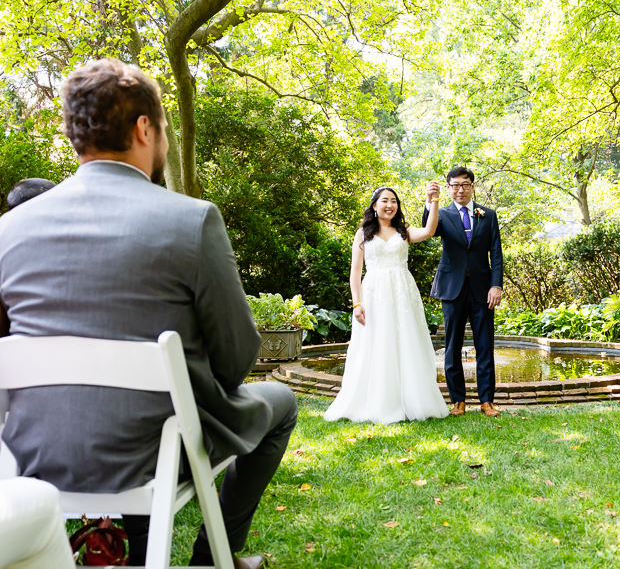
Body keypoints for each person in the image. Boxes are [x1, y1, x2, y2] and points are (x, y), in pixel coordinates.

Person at [0, 59, 297, 569]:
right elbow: (236, 359)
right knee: (283, 402)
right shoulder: (191, 219)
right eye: (162, 130)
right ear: (144, 129)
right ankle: (212, 561)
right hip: (151, 451)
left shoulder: (10, 228)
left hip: (29, 455)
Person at [324, 186, 449, 424]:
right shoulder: (363, 233)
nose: (390, 205)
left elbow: (431, 230)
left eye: (394, 201)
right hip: (373, 294)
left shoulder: (404, 231)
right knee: (376, 342)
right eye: (384, 201)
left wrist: (433, 200)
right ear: (374, 205)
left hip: (403, 292)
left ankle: (411, 400)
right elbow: (355, 272)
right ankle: (377, 401)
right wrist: (357, 303)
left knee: (406, 343)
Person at [421, 167, 504, 417]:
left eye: (465, 185)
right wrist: (429, 202)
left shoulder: (487, 215)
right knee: (452, 346)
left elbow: (496, 253)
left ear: (472, 186)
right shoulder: (441, 213)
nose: (460, 189)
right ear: (448, 188)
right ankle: (458, 400)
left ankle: (487, 401)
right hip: (452, 289)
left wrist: (496, 285)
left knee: (485, 346)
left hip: (482, 289)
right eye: (455, 185)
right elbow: (429, 230)